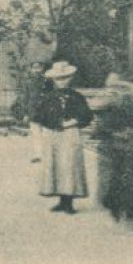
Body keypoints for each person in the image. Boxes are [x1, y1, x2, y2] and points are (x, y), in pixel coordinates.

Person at [35, 60, 94, 214]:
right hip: (53, 134)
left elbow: (86, 115)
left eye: (65, 78)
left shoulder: (77, 97)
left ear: (71, 78)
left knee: (69, 165)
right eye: (58, 79)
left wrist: (71, 122)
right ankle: (61, 201)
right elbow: (40, 115)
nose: (61, 82)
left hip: (70, 133)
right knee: (56, 165)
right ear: (53, 80)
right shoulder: (48, 97)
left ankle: (69, 202)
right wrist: (51, 124)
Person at [18, 60, 49, 164]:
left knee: (46, 134)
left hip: (45, 111)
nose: (36, 70)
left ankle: (47, 154)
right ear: (31, 70)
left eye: (38, 68)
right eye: (34, 68)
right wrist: (25, 113)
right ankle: (38, 155)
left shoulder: (48, 81)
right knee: (36, 134)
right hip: (33, 111)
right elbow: (25, 98)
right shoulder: (28, 82)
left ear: (42, 69)